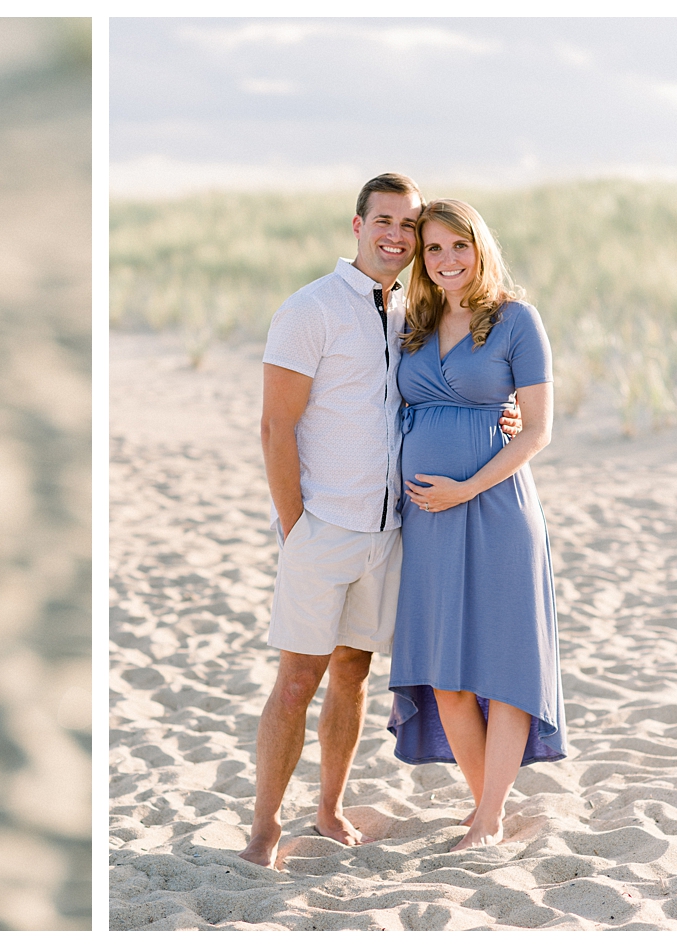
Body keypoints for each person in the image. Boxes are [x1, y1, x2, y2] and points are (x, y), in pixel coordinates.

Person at [240, 174, 519, 869]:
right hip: (322, 528)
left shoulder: (408, 317)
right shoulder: (310, 308)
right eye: (384, 220)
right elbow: (276, 426)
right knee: (297, 678)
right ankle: (264, 826)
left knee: (353, 674)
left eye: (409, 225)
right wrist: (295, 523)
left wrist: (501, 416)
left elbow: (439, 396)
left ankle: (329, 807)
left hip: (391, 531)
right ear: (358, 225)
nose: (398, 236)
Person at [387, 199, 563, 853]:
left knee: (506, 664)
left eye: (457, 246)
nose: (446, 260)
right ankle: (481, 801)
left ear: (479, 247)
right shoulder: (413, 321)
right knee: (446, 675)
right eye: (433, 249)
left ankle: (488, 817)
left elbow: (538, 430)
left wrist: (466, 484)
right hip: (427, 522)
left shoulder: (517, 320)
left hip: (496, 511)